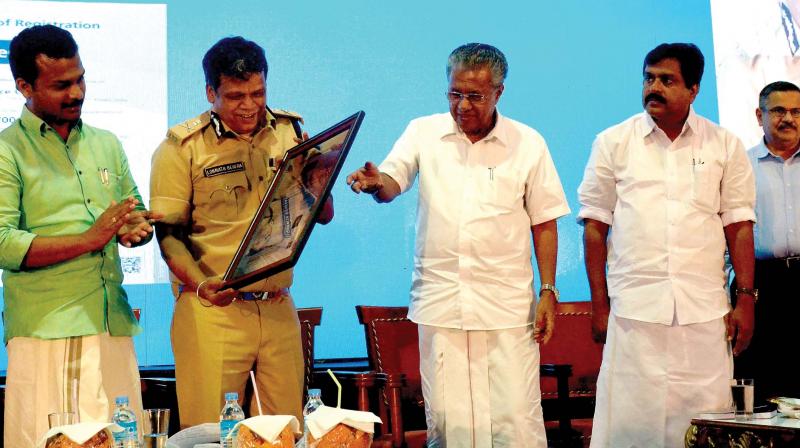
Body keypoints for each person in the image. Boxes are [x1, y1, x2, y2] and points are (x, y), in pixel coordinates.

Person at [347, 42, 570, 447]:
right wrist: (377, 182)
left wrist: (549, 290)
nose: (462, 105)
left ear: (499, 93)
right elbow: (393, 180)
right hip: (442, 303)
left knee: (515, 422)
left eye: (474, 96)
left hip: (506, 307)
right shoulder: (423, 132)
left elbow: (545, 222)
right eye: (454, 93)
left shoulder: (528, 143)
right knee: (449, 425)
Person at [578, 42, 757, 447]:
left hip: (704, 313)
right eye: (648, 78)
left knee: (704, 425)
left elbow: (740, 226)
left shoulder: (724, 145)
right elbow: (594, 227)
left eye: (666, 80)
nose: (653, 87)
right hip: (634, 314)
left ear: (694, 89)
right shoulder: (612, 142)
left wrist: (745, 298)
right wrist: (599, 304)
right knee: (630, 426)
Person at [150, 36, 332, 427]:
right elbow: (167, 237)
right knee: (210, 433)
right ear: (210, 92)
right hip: (212, 309)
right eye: (235, 96)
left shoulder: (291, 131)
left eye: (258, 93)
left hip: (278, 304)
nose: (249, 106)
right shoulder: (181, 148)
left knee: (284, 431)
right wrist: (201, 286)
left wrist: (323, 177)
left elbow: (323, 213)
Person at [0, 25, 159, 446]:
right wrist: (91, 239)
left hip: (112, 319)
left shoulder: (106, 144)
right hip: (51, 326)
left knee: (124, 439)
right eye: (61, 85)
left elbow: (133, 209)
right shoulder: (6, 150)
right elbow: (3, 243)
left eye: (81, 79)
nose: (77, 93)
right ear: (23, 87)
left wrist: (135, 229)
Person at [733, 80, 800, 402]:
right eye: (779, 111)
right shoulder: (740, 165)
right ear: (759, 116)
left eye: (796, 111)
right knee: (762, 382)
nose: (788, 118)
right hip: (760, 284)